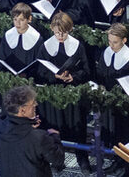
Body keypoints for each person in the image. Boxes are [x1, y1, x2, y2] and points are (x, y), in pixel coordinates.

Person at [35, 13, 90, 151]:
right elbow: (40, 71)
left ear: (70, 29)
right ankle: (56, 155)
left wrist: (74, 77)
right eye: (57, 33)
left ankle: (80, 156)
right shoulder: (45, 46)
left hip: (73, 93)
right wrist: (54, 77)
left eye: (64, 33)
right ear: (51, 28)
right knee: (54, 126)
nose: (60, 36)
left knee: (77, 126)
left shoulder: (78, 46)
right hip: (53, 94)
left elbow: (86, 70)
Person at [0, 85, 65, 177]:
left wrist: (28, 125)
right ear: (22, 110)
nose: (36, 104)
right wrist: (54, 136)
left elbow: (4, 144)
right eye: (32, 103)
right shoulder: (39, 137)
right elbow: (58, 159)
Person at [95, 23, 129, 169]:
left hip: (123, 104)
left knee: (122, 133)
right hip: (107, 101)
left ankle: (125, 164)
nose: (111, 45)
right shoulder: (107, 52)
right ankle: (114, 160)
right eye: (109, 41)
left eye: (115, 42)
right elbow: (100, 72)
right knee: (110, 131)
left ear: (124, 40)